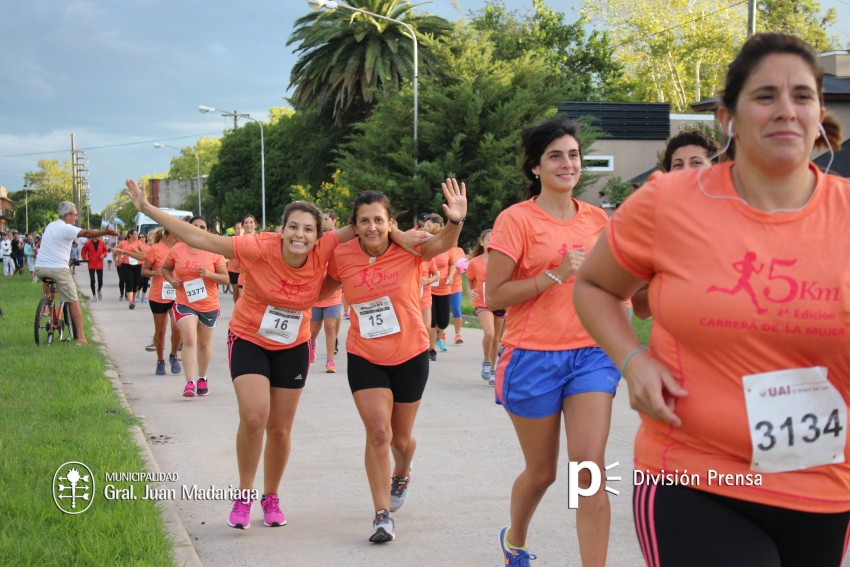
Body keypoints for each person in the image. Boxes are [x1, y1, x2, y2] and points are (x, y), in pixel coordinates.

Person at [574, 33, 849, 567]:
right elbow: (595, 286)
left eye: (802, 96)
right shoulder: (669, 202)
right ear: (729, 116)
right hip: (693, 472)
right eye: (765, 96)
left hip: (821, 483)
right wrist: (632, 361)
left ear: (819, 114)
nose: (786, 111)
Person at [124, 179, 426, 531]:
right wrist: (147, 209)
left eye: (309, 229)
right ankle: (244, 495)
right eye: (293, 227)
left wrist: (400, 235)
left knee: (280, 429)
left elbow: (371, 225)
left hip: (293, 345)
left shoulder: (326, 248)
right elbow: (201, 239)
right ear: (281, 231)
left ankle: (271, 497)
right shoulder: (257, 246)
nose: (300, 235)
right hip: (250, 338)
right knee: (254, 417)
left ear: (319, 236)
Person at [485, 117, 618, 567]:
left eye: (574, 154)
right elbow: (494, 296)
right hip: (531, 357)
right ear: (535, 168)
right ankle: (515, 540)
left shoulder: (599, 220)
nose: (567, 163)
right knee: (541, 473)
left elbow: (612, 284)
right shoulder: (515, 220)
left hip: (590, 356)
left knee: (590, 470)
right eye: (555, 156)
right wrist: (554, 275)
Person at [322, 180, 467, 543]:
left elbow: (443, 244)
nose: (372, 227)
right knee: (379, 432)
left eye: (379, 220)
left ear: (390, 223)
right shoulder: (342, 255)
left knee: (401, 440)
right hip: (365, 354)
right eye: (364, 221)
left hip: (411, 354)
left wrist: (456, 221)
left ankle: (402, 471)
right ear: (354, 226)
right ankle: (381, 515)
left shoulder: (410, 247)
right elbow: (321, 283)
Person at [34, 202, 118, 345]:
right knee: (74, 301)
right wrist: (105, 232)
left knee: (47, 280)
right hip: (58, 269)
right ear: (67, 216)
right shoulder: (66, 227)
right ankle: (81, 338)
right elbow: (86, 233)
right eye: (75, 215)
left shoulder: (50, 226)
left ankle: (48, 306)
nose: (76, 218)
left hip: (40, 269)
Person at [465, 228, 506, 385]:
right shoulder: (475, 263)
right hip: (482, 302)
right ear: (482, 242)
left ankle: (494, 370)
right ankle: (487, 362)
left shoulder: (502, 261)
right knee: (489, 333)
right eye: (489, 239)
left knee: (497, 338)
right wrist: (469, 292)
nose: (492, 242)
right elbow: (469, 280)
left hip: (499, 302)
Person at [141, 227, 183, 376]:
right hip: (159, 295)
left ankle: (173, 356)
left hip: (177, 294)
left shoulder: (181, 248)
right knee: (161, 330)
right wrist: (154, 272)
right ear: (168, 233)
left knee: (178, 327)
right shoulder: (156, 249)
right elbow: (143, 270)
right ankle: (160, 360)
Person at [309, 210, 344, 373]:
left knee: (330, 327)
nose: (323, 222)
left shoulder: (340, 241)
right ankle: (312, 345)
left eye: (326, 219)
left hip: (334, 294)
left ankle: (330, 361)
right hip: (316, 294)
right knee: (313, 330)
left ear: (334, 221)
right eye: (321, 219)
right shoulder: (317, 240)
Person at [116, 229, 147, 309]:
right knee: (129, 282)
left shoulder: (139, 243)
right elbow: (116, 250)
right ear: (130, 235)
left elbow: (145, 253)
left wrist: (136, 251)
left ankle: (133, 298)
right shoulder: (123, 243)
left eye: (137, 234)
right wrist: (120, 257)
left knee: (136, 283)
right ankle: (130, 301)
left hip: (137, 265)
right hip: (126, 265)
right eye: (135, 234)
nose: (137, 236)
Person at [447, 244, 466, 344]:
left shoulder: (460, 250)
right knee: (442, 312)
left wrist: (464, 266)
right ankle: (441, 334)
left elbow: (464, 267)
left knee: (456, 310)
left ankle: (458, 335)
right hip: (444, 286)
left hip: (456, 285)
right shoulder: (442, 248)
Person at [81, 235, 107, 300]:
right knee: (92, 280)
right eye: (96, 234)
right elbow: (83, 251)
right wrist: (85, 258)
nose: (98, 236)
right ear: (92, 236)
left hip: (99, 263)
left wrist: (103, 255)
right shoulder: (88, 244)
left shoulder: (102, 243)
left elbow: (105, 250)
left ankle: (99, 290)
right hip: (91, 263)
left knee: (100, 281)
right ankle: (94, 295)